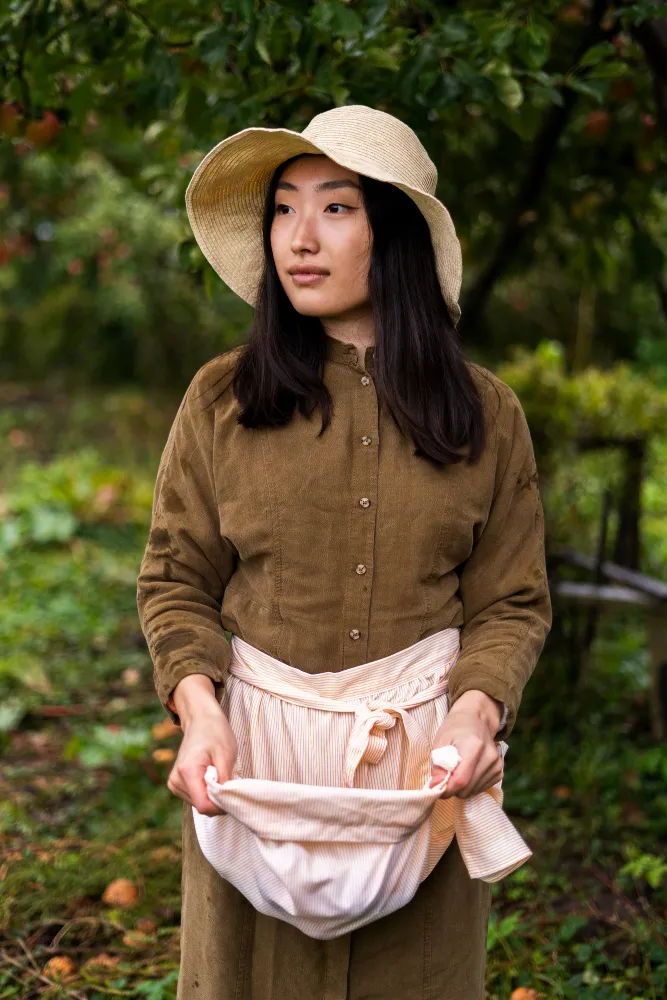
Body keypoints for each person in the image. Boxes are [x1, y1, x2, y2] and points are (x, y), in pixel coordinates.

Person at [136, 104, 552, 1000]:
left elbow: (510, 601)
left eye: (335, 207)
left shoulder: (485, 414)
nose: (299, 237)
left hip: (413, 771)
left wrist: (476, 714)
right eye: (283, 209)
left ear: (393, 234)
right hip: (255, 762)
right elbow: (176, 580)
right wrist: (200, 711)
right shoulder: (222, 399)